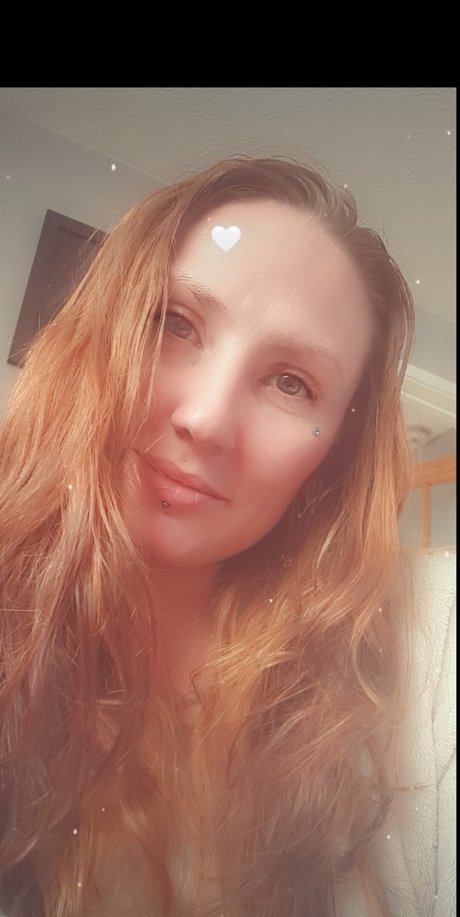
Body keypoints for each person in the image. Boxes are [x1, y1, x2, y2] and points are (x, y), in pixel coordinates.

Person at [0, 156, 454, 916]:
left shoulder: (424, 645)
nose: (206, 420)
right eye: (173, 323)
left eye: (291, 382)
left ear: (333, 457)